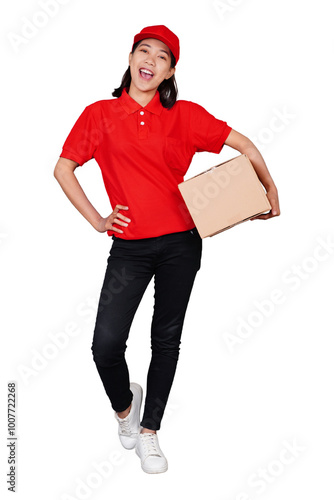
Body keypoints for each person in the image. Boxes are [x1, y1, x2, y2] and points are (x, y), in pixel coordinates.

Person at [53, 25, 280, 474]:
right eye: (144, 51)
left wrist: (268, 191)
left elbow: (245, 145)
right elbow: (63, 168)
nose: (150, 60)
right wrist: (99, 220)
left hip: (181, 243)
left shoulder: (186, 116)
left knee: (166, 341)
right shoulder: (99, 114)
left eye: (162, 57)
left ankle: (151, 432)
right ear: (131, 58)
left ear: (170, 71)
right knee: (106, 344)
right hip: (129, 249)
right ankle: (125, 410)